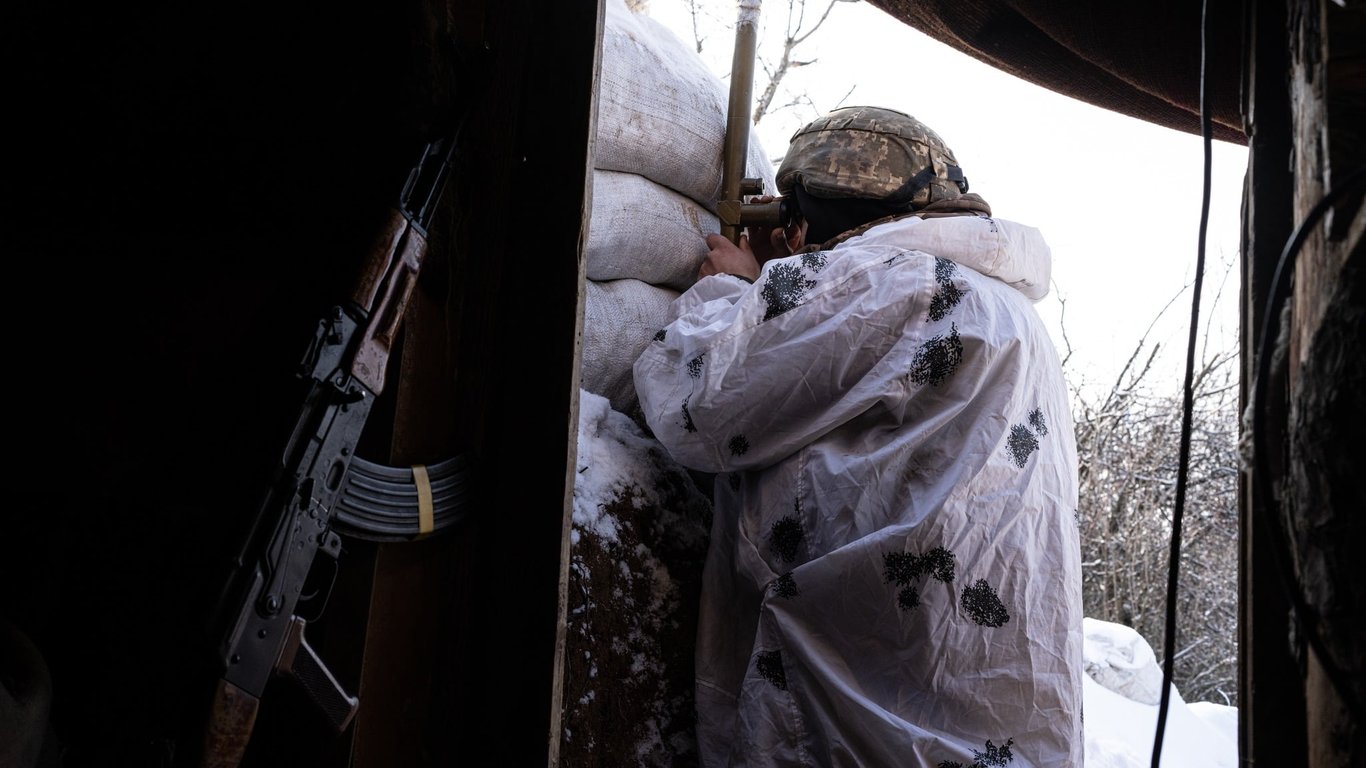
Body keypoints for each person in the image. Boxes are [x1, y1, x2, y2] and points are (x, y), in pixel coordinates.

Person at [633, 106, 1084, 767]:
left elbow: (699, 403)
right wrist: (783, 292)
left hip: (873, 713)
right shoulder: (1001, 302)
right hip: (978, 700)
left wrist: (734, 293)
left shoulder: (885, 279)